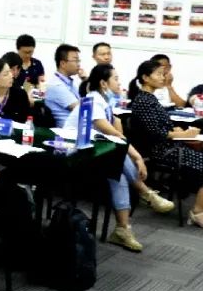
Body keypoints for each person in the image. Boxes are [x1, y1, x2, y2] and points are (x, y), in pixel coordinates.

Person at [66, 64, 173, 251]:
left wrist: (117, 122)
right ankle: (146, 192)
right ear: (103, 83)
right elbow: (114, 135)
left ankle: (123, 230)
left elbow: (117, 132)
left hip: (95, 155)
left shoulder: (105, 102)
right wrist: (137, 157)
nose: (119, 82)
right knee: (116, 156)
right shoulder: (92, 101)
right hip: (74, 158)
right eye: (115, 79)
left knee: (117, 172)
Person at [128, 60, 203, 227]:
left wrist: (177, 130)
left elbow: (162, 125)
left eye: (163, 74)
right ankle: (197, 212)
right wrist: (183, 134)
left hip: (168, 147)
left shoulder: (149, 98)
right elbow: (156, 133)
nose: (163, 78)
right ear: (145, 77)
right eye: (159, 74)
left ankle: (196, 205)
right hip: (160, 151)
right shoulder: (144, 101)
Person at [45, 43, 82, 127]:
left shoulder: (68, 82)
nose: (78, 64)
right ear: (62, 64)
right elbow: (82, 110)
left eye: (79, 61)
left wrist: (85, 80)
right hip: (67, 131)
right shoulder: (56, 85)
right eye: (75, 61)